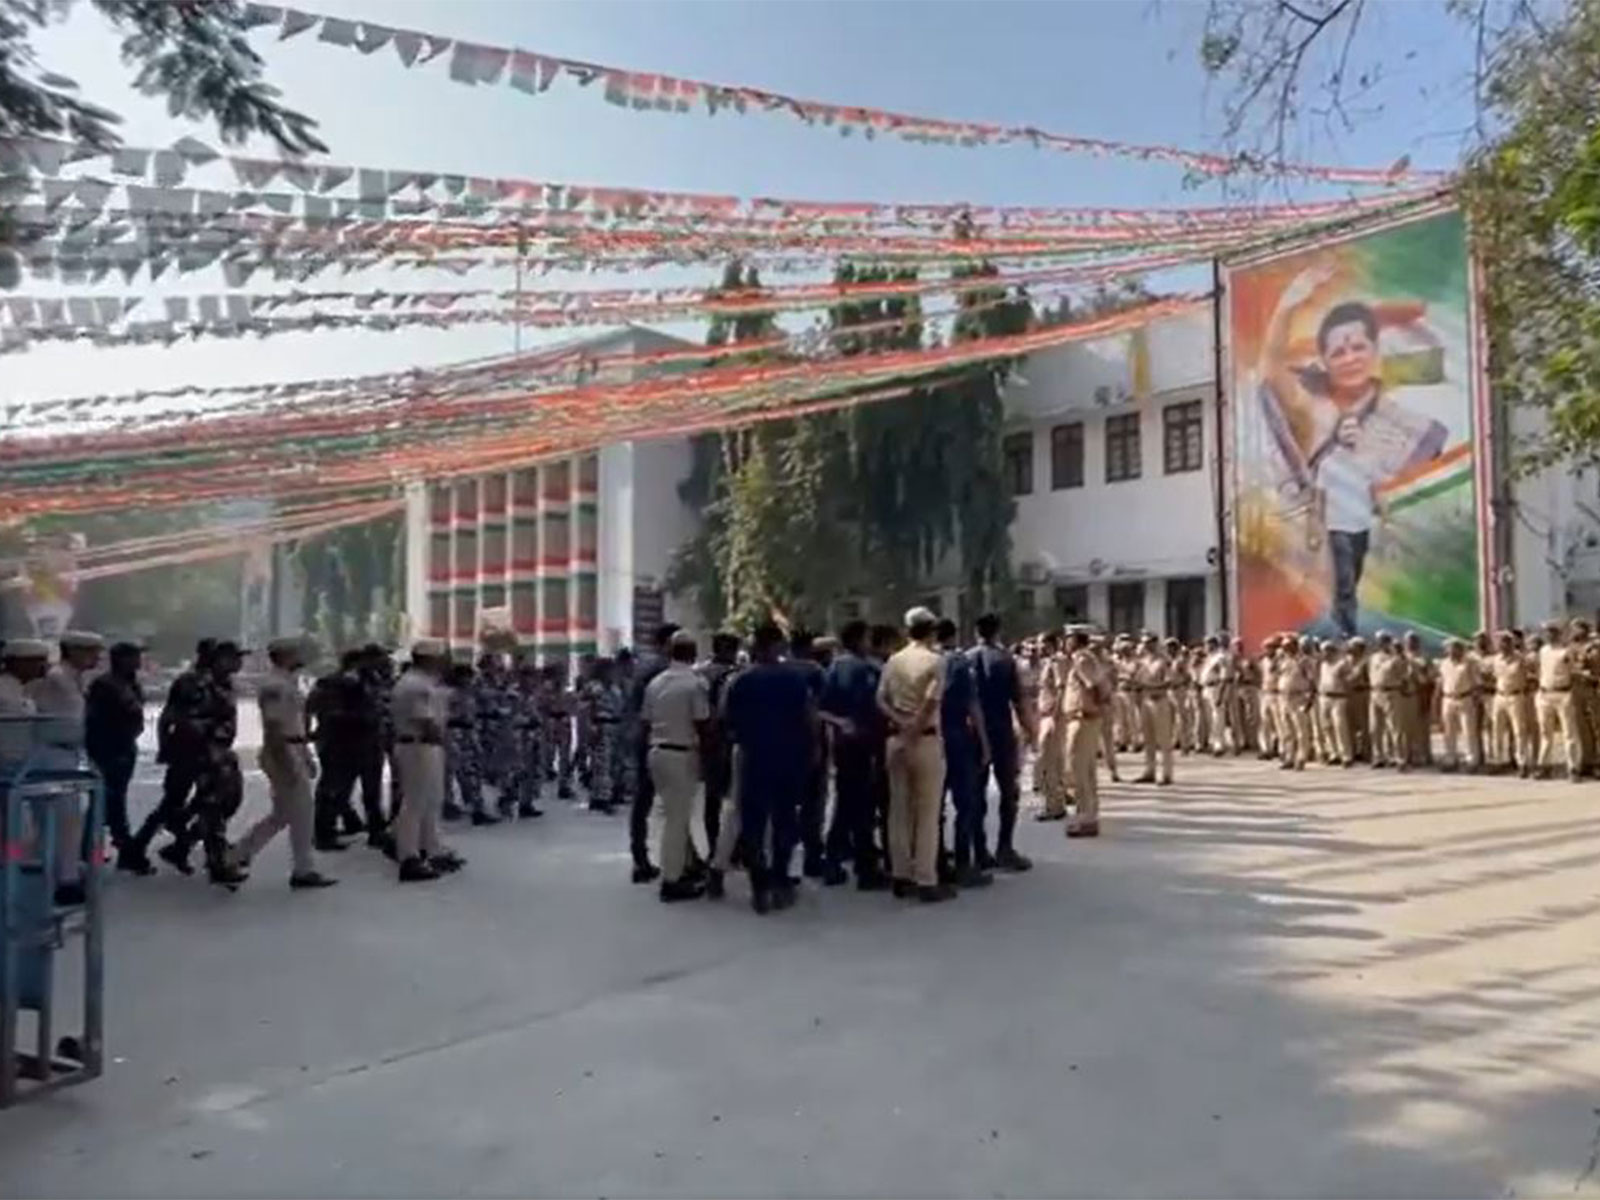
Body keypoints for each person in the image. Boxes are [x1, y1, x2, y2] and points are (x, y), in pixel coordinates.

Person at [228, 637, 336, 890]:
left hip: (293, 747)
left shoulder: (287, 682)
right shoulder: (274, 686)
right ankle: (303, 869)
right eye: (296, 653)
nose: (300, 657)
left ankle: (237, 854)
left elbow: (295, 725)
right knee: (301, 813)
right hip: (283, 750)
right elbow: (274, 726)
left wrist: (305, 755)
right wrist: (287, 761)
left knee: (284, 814)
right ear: (285, 656)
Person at [724, 623, 814, 914]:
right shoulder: (795, 679)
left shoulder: (740, 680)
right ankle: (780, 880)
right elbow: (808, 718)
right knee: (785, 820)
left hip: (754, 759)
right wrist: (813, 753)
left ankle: (758, 885)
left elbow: (728, 723)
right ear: (777, 646)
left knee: (753, 823)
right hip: (788, 759)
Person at [877, 607, 950, 903]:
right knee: (927, 813)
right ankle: (925, 879)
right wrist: (913, 731)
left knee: (899, 811)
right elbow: (931, 702)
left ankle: (900, 874)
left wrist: (900, 723)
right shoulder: (935, 661)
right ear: (931, 631)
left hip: (895, 738)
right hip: (924, 740)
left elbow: (880, 699)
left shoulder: (893, 661)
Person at [28, 630, 105, 905]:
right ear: (73, 651)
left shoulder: (73, 680)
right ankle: (63, 882)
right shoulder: (57, 679)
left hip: (68, 753)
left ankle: (62, 877)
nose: (96, 658)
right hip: (52, 753)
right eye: (91, 652)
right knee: (61, 822)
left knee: (68, 822)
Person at [642, 631, 712, 903]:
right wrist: (708, 758)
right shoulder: (695, 683)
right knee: (677, 819)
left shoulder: (656, 683)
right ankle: (672, 880)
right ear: (693, 654)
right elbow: (702, 722)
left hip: (657, 752)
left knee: (674, 813)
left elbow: (645, 721)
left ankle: (687, 865)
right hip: (681, 753)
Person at [819, 620, 885, 888]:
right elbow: (878, 707)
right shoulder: (867, 669)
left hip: (844, 745)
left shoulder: (835, 667)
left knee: (847, 803)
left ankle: (838, 861)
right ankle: (864, 868)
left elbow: (821, 708)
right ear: (859, 640)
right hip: (865, 744)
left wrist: (839, 723)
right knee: (862, 806)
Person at [968, 613, 1033, 871]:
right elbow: (1018, 700)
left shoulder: (966, 658)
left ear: (976, 632)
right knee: (1009, 791)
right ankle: (1005, 848)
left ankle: (979, 850)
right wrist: (1030, 730)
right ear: (997, 632)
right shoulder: (1006, 660)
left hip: (975, 733)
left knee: (976, 793)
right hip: (1002, 730)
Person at [391, 641, 460, 882]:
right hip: (418, 745)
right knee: (415, 802)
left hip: (424, 745)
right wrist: (439, 736)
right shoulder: (415, 685)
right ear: (430, 659)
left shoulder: (424, 682)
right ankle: (408, 857)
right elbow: (425, 720)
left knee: (431, 801)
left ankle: (431, 850)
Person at [936, 618, 992, 890]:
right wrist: (984, 742)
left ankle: (936, 861)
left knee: (935, 806)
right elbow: (973, 705)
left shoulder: (927, 661)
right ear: (954, 635)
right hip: (957, 736)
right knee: (965, 803)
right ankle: (962, 863)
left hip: (931, 736)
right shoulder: (959, 663)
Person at [85, 640, 146, 869]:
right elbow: (95, 721)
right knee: (109, 801)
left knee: (113, 801)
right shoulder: (105, 685)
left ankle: (99, 847)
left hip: (125, 747)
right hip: (108, 751)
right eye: (134, 656)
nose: (139, 661)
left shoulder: (130, 684)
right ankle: (119, 849)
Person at [627, 624, 678, 883]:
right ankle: (675, 862)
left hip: (645, 739)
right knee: (673, 805)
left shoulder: (645, 670)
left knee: (643, 801)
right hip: (663, 740)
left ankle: (640, 858)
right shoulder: (665, 672)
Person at [1060, 627, 1109, 839]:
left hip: (1082, 718)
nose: (1065, 643)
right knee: (1086, 770)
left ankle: (1084, 818)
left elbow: (1094, 686)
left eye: (1068, 639)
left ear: (1075, 641)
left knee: (1077, 769)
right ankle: (1090, 816)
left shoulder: (1081, 659)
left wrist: (1092, 708)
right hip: (1086, 718)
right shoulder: (1087, 658)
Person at [698, 632, 741, 854]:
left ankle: (715, 846)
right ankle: (734, 848)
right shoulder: (739, 674)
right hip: (730, 740)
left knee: (712, 798)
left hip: (709, 741)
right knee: (735, 798)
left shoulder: (699, 674)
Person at [1536, 619, 1583, 781]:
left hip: (1563, 693)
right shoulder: (1543, 651)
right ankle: (1544, 766)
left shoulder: (1565, 651)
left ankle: (1573, 767)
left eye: (1552, 631)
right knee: (1545, 732)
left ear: (1558, 633)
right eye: (1547, 631)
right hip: (1545, 694)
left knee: (1569, 732)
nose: (1549, 634)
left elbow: (1574, 671)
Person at [1032, 629, 1069, 821]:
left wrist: (1055, 715)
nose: (1038, 647)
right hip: (1045, 714)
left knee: (1047, 760)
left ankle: (1054, 805)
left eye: (1041, 643)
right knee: (1051, 760)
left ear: (1050, 644)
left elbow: (1062, 689)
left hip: (1053, 716)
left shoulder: (1058, 661)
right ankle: (1056, 800)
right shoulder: (1047, 662)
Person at [1491, 630, 1537, 777]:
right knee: (1497, 730)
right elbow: (1495, 676)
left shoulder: (1521, 659)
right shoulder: (1496, 659)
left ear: (1511, 643)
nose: (1503, 644)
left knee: (1519, 731)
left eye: (1506, 641)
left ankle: (1522, 762)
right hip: (1499, 696)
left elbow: (1531, 675)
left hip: (1516, 696)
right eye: (1500, 641)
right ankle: (1498, 761)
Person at [1133, 633, 1176, 786]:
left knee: (1164, 739)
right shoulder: (1142, 662)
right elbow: (1136, 680)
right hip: (1146, 701)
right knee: (1148, 739)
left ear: (1155, 643)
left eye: (1149, 642)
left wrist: (1151, 686)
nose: (1146, 645)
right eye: (1144, 642)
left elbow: (1169, 682)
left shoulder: (1164, 661)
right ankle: (1149, 771)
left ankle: (1166, 774)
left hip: (1160, 700)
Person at [1437, 638, 1481, 772]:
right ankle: (1450, 758)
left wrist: (1476, 700)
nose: (1452, 651)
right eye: (1450, 648)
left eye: (1456, 648)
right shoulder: (1444, 664)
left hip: (1465, 698)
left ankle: (1471, 760)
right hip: (1448, 698)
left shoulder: (1470, 663)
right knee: (1449, 731)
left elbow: (1476, 683)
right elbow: (1441, 682)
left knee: (1468, 731)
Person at [1315, 640, 1353, 767]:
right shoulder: (1323, 665)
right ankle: (1333, 753)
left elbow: (1349, 679)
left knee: (1340, 726)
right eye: (1323, 651)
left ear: (1332, 651)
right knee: (1326, 727)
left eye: (1327, 650)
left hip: (1338, 697)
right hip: (1324, 697)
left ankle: (1346, 755)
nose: (1324, 653)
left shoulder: (1341, 664)